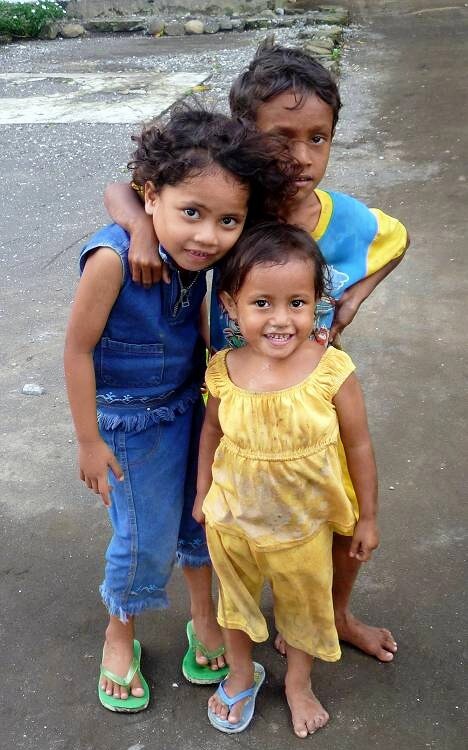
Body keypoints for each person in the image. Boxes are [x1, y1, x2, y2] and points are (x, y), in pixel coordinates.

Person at [103, 42, 407, 663]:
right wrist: (139, 229)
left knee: (341, 509)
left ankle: (334, 614)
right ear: (245, 136)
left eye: (318, 138)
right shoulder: (230, 202)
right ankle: (235, 616)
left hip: (312, 401)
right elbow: (125, 189)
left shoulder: (344, 219)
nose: (301, 157)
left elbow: (397, 239)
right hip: (232, 397)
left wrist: (352, 299)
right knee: (230, 513)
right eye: (281, 138)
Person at [64, 107, 298, 713]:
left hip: (193, 407)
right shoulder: (114, 259)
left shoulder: (208, 255)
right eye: (191, 213)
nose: (207, 235)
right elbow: (78, 349)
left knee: (202, 520)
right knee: (144, 537)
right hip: (130, 423)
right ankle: (120, 632)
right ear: (152, 198)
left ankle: (203, 615)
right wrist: (88, 441)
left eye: (227, 221)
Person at [192, 222, 379, 737]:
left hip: (303, 528)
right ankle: (240, 673)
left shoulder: (331, 371)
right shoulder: (223, 370)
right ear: (230, 306)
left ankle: (298, 682)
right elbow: (211, 433)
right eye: (262, 303)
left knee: (302, 609)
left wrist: (367, 516)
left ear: (318, 303)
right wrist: (203, 493)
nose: (280, 319)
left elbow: (359, 445)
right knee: (234, 605)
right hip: (233, 522)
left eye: (297, 303)